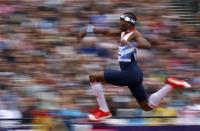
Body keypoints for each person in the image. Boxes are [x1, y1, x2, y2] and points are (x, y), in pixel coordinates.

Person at [77, 12, 191, 121]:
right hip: (135, 74)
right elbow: (104, 31)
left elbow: (146, 44)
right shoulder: (122, 33)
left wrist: (132, 44)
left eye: (122, 22)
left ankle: (104, 110)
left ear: (129, 23)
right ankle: (170, 85)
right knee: (147, 107)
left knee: (94, 77)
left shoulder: (135, 34)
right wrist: (87, 30)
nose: (119, 23)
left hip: (130, 73)